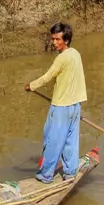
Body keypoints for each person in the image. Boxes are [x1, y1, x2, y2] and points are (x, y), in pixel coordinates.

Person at [25, 22, 87, 184]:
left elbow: (47, 77)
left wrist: (30, 86)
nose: (54, 43)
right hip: (75, 106)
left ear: (66, 40)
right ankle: (70, 173)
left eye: (57, 39)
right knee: (71, 141)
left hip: (61, 107)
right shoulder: (76, 54)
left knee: (53, 140)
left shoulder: (62, 58)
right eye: (53, 39)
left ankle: (45, 175)